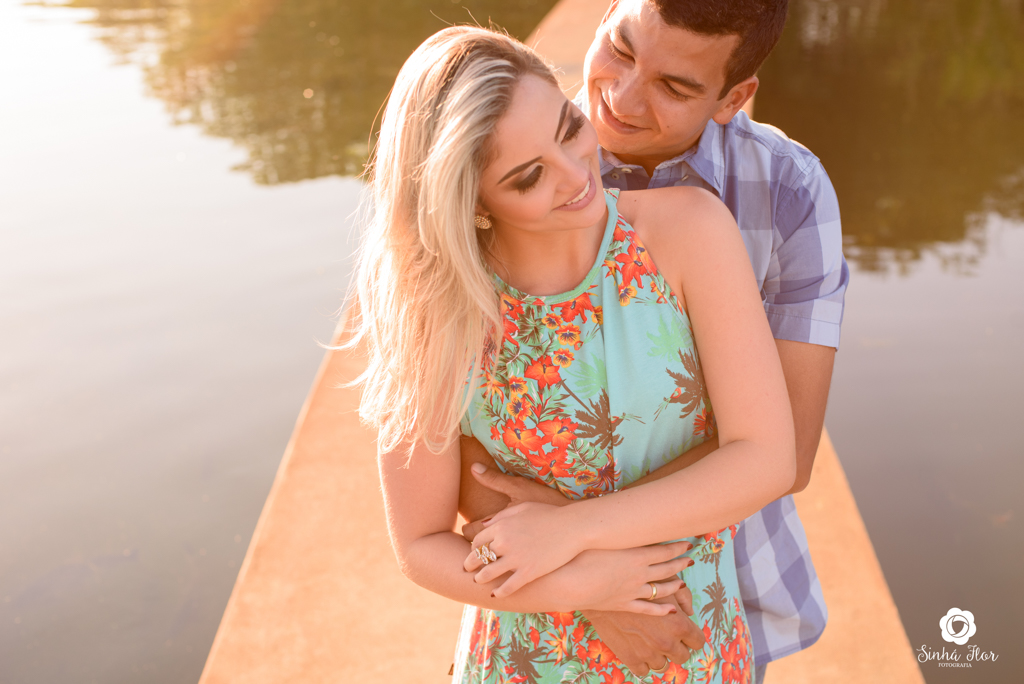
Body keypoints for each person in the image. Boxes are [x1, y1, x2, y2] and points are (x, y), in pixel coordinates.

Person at [354, 25, 797, 684]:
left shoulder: (690, 233)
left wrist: (573, 531)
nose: (575, 176)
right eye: (528, 176)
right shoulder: (436, 312)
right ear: (471, 203)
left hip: (690, 652)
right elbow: (420, 545)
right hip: (522, 663)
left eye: (567, 128)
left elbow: (766, 458)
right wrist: (585, 585)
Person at [458, 2, 849, 683]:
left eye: (674, 87)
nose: (621, 98)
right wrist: (590, 583)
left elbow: (784, 452)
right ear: (607, 10)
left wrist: (579, 535)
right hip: (538, 595)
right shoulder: (496, 160)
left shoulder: (790, 190)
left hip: (720, 594)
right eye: (621, 48)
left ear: (734, 98)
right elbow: (455, 442)